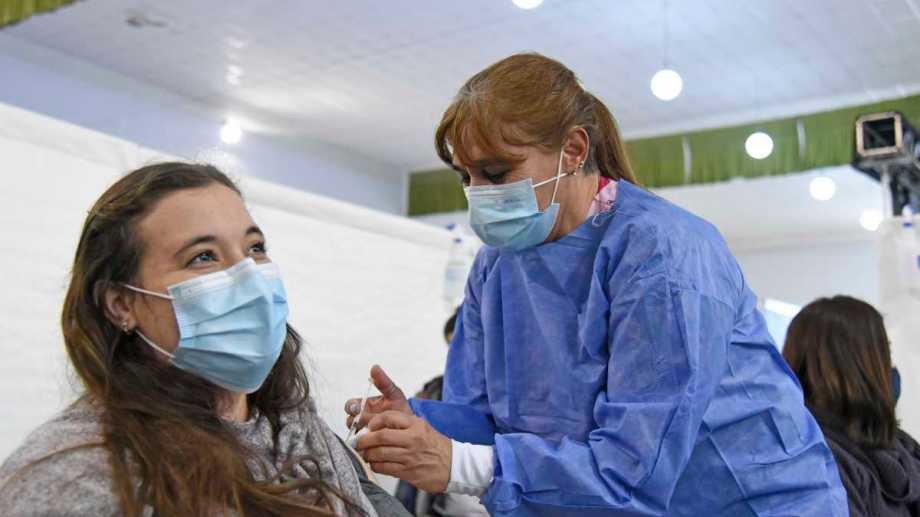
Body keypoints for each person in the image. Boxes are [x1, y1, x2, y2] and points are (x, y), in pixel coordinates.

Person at [344, 53, 848, 516]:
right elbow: (488, 421)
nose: (478, 194)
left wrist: (457, 463)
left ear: (573, 149)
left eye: (496, 173)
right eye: (466, 176)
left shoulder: (663, 253)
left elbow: (634, 472)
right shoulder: (495, 268)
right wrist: (414, 426)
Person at [0, 162, 409, 516]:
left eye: (255, 247)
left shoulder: (294, 427)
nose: (250, 277)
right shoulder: (75, 475)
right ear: (121, 304)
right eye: (203, 256)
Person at [783, 295, 920, 517]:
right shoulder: (817, 463)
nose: (892, 367)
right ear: (861, 365)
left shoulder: (903, 446)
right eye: (885, 354)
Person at [394, 309, 489, 516]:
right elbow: (410, 474)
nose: (462, 360)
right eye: (454, 349)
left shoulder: (510, 404)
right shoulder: (432, 393)